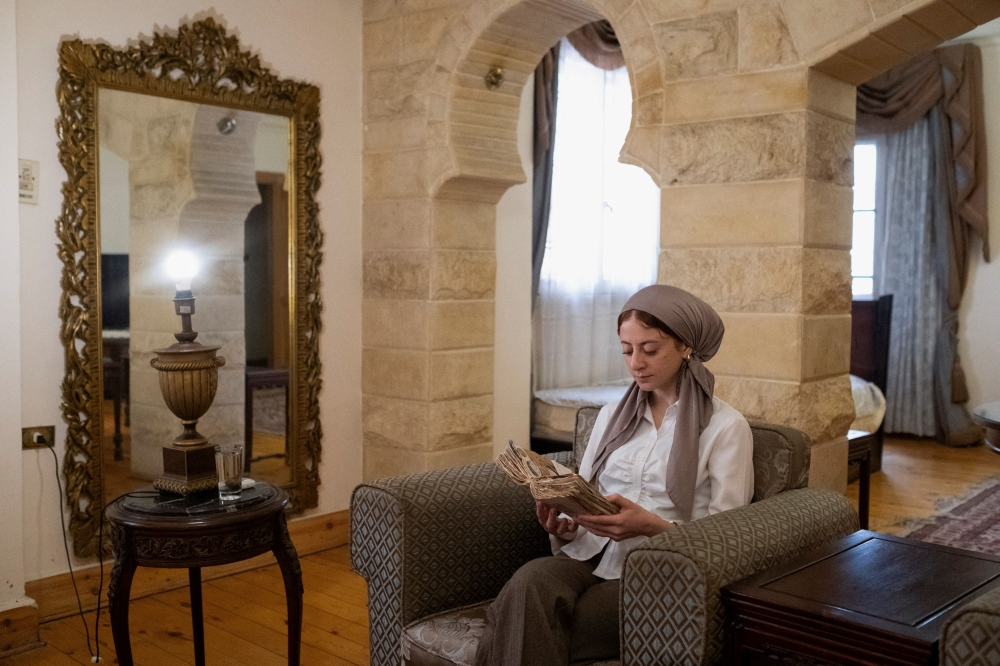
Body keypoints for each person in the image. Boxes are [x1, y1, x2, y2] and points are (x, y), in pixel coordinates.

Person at [474, 285, 754, 666]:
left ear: (686, 346)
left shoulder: (725, 427)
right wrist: (565, 524)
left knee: (520, 619)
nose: (635, 362)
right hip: (590, 555)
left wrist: (651, 527)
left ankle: (505, 629)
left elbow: (728, 540)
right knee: (528, 581)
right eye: (627, 349)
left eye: (649, 349)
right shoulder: (609, 417)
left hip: (660, 571)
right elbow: (586, 494)